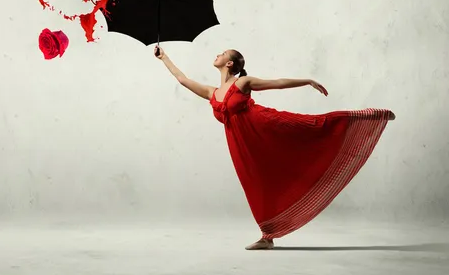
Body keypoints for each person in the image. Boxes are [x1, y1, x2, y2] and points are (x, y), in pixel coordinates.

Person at [155, 46, 395, 250]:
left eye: (222, 53)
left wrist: (307, 80)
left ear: (229, 63)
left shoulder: (243, 82)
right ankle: (267, 236)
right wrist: (163, 57)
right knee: (257, 185)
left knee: (312, 125)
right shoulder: (212, 92)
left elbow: (277, 83)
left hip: (266, 126)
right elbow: (183, 80)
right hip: (243, 146)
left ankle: (366, 118)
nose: (216, 55)